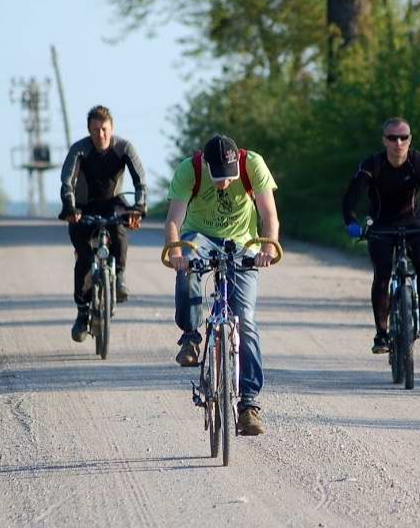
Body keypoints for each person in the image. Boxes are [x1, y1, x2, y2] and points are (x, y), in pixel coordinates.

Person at [164, 133, 279, 436]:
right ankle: (190, 337)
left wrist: (268, 247)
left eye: (230, 178)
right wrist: (176, 252)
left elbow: (269, 214)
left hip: (242, 242)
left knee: (246, 320)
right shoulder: (190, 170)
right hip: (200, 236)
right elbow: (174, 220)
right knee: (187, 265)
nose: (224, 183)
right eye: (219, 178)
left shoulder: (252, 164)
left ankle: (249, 406)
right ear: (207, 165)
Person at [342, 117, 420, 354]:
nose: (398, 142)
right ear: (384, 140)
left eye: (403, 137)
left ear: (410, 139)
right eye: (393, 138)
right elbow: (351, 197)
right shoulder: (372, 164)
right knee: (382, 276)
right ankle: (382, 334)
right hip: (381, 226)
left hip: (415, 225)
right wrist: (351, 221)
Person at [60, 105, 146, 342]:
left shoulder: (123, 148)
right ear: (89, 130)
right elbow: (67, 181)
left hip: (113, 203)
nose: (100, 135)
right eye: (95, 130)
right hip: (83, 206)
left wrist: (139, 207)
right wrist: (70, 208)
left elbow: (140, 181)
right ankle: (82, 312)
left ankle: (118, 278)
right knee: (85, 259)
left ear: (112, 128)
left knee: (119, 232)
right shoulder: (80, 149)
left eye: (104, 129)